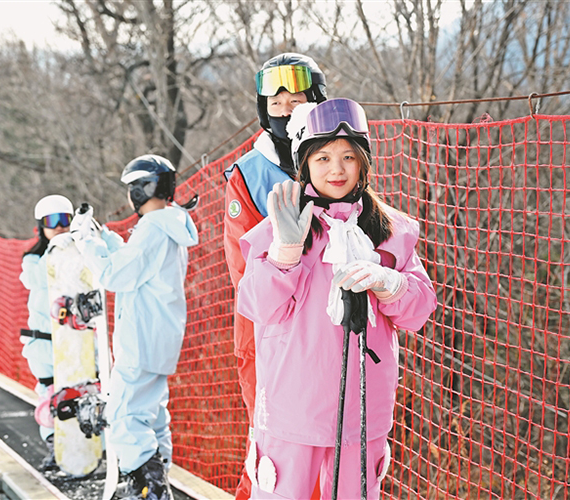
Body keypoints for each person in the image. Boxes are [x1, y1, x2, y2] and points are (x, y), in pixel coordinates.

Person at [237, 98, 438, 499]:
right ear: (305, 164)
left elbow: (418, 310)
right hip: (293, 406)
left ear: (364, 162)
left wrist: (390, 283)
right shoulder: (281, 225)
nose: (337, 170)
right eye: (323, 158)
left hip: (363, 409)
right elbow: (257, 306)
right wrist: (284, 253)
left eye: (348, 157)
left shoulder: (390, 230)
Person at [223, 52, 327, 499]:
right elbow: (242, 268)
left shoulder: (337, 159)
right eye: (276, 102)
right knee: (273, 451)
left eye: (296, 99)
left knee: (330, 446)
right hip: (270, 331)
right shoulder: (249, 173)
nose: (285, 110)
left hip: (328, 328)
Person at [70, 154, 198, 500]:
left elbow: (116, 274)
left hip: (140, 338)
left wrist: (85, 240)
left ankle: (147, 490)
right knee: (151, 413)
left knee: (126, 415)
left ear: (143, 189)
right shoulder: (168, 226)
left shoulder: (154, 227)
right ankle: (157, 483)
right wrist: (107, 239)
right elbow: (138, 263)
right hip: (160, 336)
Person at [19, 194, 74, 470]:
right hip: (43, 342)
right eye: (52, 222)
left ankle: (83, 447)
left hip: (75, 339)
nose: (60, 227)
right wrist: (55, 249)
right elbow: (37, 279)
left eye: (65, 220)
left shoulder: (79, 254)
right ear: (42, 226)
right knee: (50, 393)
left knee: (79, 392)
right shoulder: (34, 260)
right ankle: (55, 445)